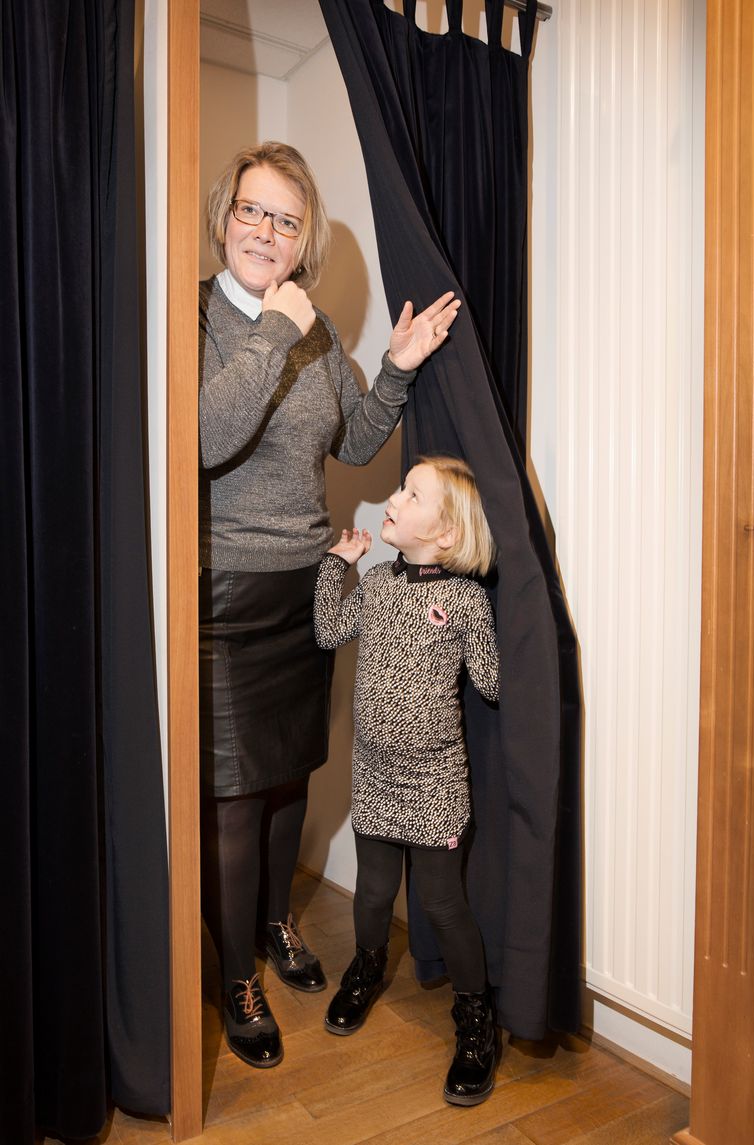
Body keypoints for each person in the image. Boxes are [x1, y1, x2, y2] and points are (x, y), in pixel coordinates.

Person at [198, 141, 460, 1070]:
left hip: (305, 581)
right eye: (251, 210)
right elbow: (202, 437)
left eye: (285, 217)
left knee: (286, 779)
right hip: (222, 592)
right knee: (231, 794)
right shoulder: (196, 316)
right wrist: (273, 327)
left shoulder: (314, 333)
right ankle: (232, 976)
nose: (265, 231)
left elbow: (352, 439)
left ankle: (272, 926)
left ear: (301, 237)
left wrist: (390, 365)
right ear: (223, 216)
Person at [313, 456, 500, 1106]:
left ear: (445, 532)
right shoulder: (375, 584)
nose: (392, 498)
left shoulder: (466, 601)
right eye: (400, 487)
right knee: (371, 896)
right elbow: (327, 630)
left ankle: (475, 1019)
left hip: (433, 783)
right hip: (374, 776)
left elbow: (493, 682)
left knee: (442, 906)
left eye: (409, 493)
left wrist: (522, 641)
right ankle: (365, 969)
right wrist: (336, 565)